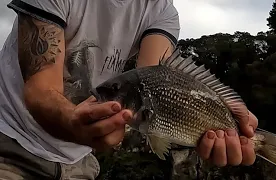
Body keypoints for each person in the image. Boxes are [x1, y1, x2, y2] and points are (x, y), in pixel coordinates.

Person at [0, 0, 258, 179]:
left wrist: (231, 114)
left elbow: (156, 76)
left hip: (79, 165)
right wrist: (73, 121)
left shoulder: (161, 10)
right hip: (11, 146)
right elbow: (40, 90)